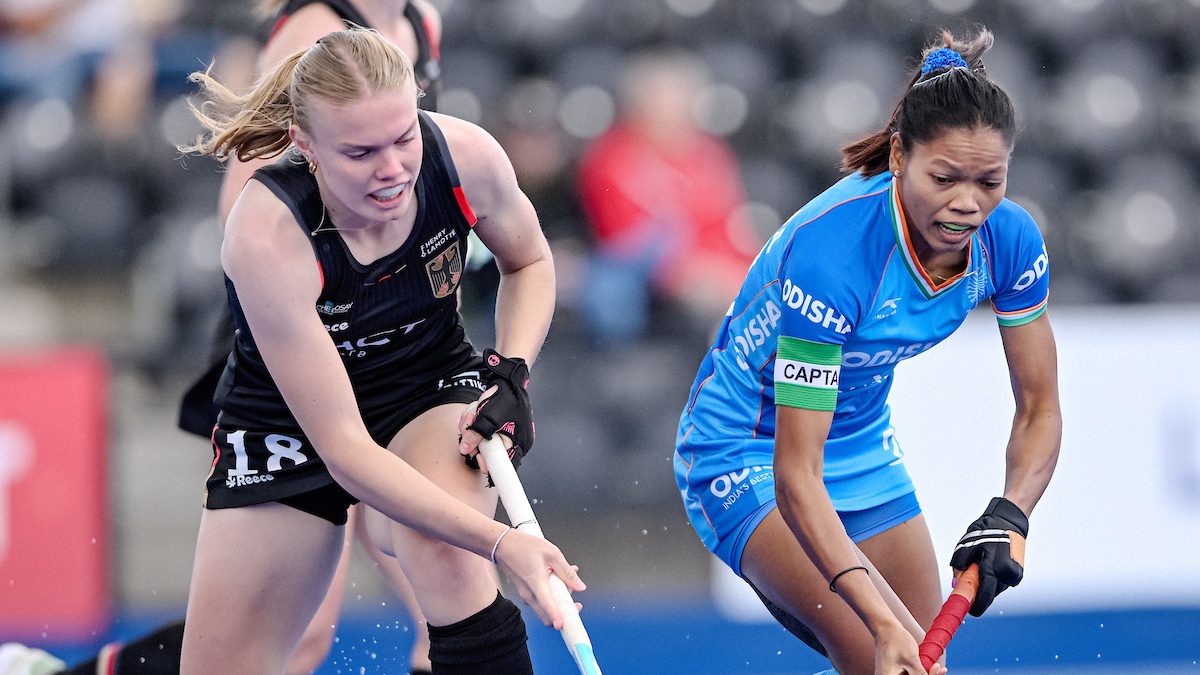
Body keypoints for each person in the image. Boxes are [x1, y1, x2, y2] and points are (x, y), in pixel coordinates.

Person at [169, 27, 576, 674]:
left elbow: (529, 260)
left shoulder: (466, 155)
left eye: (404, 137)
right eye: (360, 153)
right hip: (288, 425)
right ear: (306, 145)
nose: (393, 171)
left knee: (445, 554)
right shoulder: (268, 234)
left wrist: (513, 372)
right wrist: (506, 544)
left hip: (426, 385)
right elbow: (345, 451)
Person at [673, 27, 1061, 675]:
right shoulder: (835, 255)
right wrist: (882, 621)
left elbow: (1040, 407)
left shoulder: (1012, 239)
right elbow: (796, 475)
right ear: (902, 156)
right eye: (945, 177)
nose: (968, 204)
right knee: (879, 653)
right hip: (746, 454)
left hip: (860, 445)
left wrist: (1010, 512)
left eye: (989, 180)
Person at [575, 47, 757, 347]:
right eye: (662, 96)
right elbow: (629, 244)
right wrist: (706, 274)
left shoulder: (711, 153)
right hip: (649, 277)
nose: (672, 107)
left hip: (716, 269)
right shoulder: (612, 157)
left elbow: (728, 226)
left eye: (680, 96)